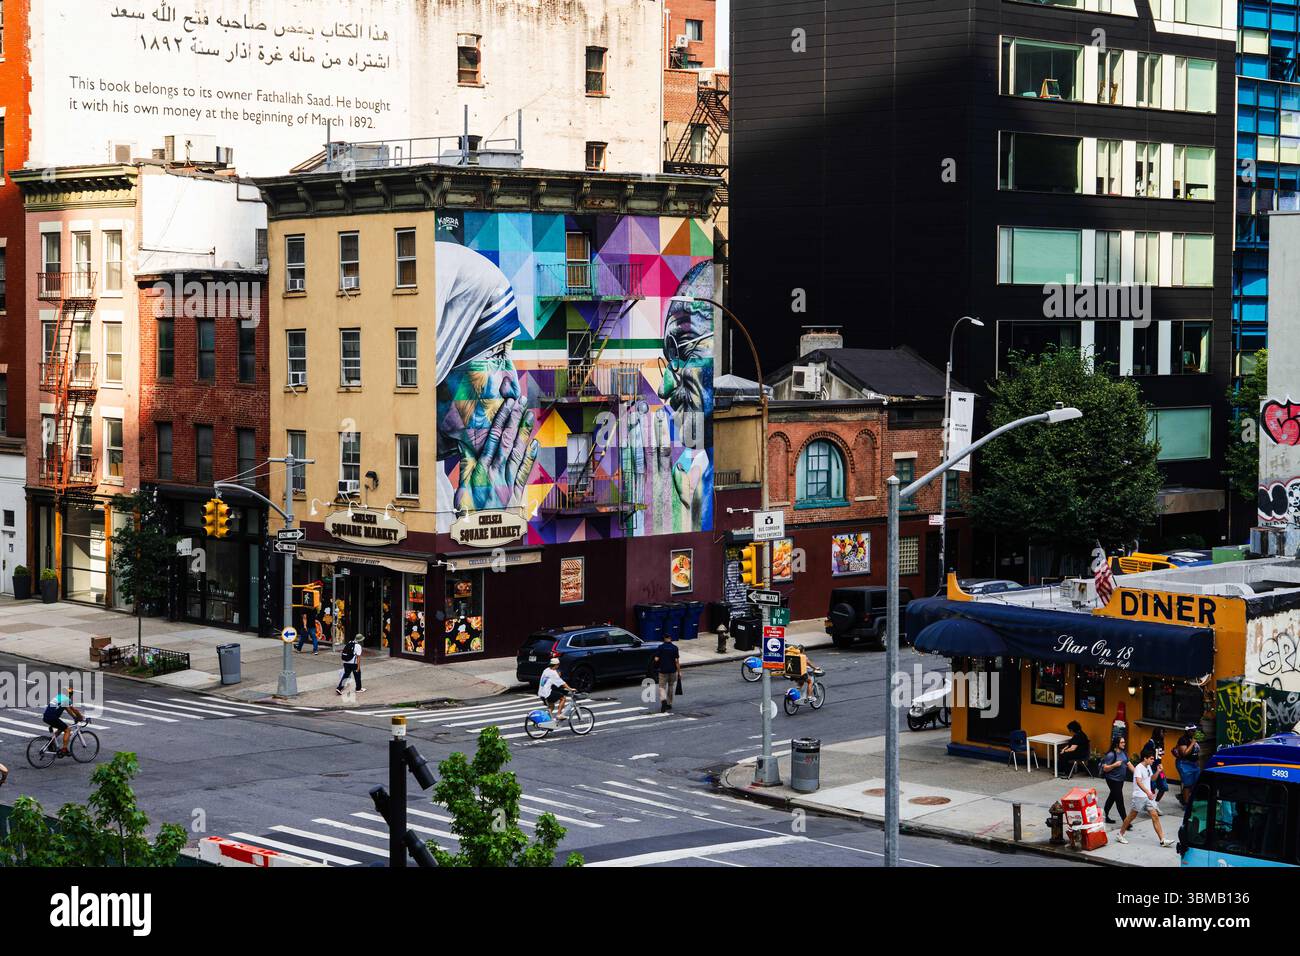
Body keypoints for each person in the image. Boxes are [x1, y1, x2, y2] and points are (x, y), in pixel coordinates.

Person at [1117, 751, 1175, 847]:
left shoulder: (1148, 767)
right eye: (1151, 759)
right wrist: (1148, 792)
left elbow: (1152, 779)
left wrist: (1158, 771)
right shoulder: (1139, 768)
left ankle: (1162, 840)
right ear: (1145, 758)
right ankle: (1120, 834)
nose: (1153, 760)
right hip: (1139, 796)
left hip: (1147, 797)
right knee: (1131, 816)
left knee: (1155, 816)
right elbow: (1139, 782)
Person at [1100, 735, 1132, 824]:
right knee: (1119, 799)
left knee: (1112, 797)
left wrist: (1138, 774)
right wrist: (1114, 765)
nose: (1124, 744)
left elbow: (1129, 764)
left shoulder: (1124, 753)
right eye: (1122, 742)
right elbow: (1105, 768)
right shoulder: (1111, 755)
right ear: (1117, 744)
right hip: (1112, 780)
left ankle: (1104, 816)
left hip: (1121, 780)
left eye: (1124, 742)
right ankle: (1126, 822)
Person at [42, 688, 84, 756]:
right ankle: (64, 749)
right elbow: (74, 710)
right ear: (70, 695)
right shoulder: (66, 699)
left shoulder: (59, 696)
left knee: (61, 728)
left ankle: (51, 743)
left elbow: (68, 709)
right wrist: (80, 717)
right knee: (67, 730)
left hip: (46, 717)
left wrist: (74, 717)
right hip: (52, 718)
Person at [538, 656, 573, 724]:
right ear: (556, 665)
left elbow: (551, 681)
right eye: (558, 665)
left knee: (551, 706)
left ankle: (546, 721)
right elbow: (562, 682)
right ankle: (559, 715)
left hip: (541, 693)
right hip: (547, 693)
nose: (558, 666)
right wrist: (570, 689)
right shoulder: (553, 673)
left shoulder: (546, 670)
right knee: (563, 698)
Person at [1174, 724, 1202, 808]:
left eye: (1195, 730)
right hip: (1185, 764)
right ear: (1188, 731)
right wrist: (1193, 743)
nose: (1195, 732)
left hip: (1194, 764)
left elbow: (1196, 752)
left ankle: (1183, 797)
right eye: (1193, 731)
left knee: (1195, 783)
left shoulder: (1194, 739)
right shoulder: (1183, 740)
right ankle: (1186, 804)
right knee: (1188, 784)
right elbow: (1184, 753)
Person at [653, 633, 681, 713]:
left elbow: (656, 659)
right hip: (672, 670)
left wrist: (656, 662)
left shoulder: (660, 647)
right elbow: (677, 661)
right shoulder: (675, 648)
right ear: (670, 638)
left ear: (664, 639)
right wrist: (679, 672)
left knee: (662, 687)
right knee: (671, 686)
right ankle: (669, 703)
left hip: (663, 671)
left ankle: (663, 700)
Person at [1141, 728, 1169, 802]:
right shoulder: (1150, 744)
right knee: (1151, 787)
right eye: (1162, 733)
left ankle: (1155, 804)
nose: (1164, 735)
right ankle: (1151, 805)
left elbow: (1160, 755)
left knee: (1164, 786)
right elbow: (1143, 755)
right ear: (1157, 733)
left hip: (1159, 769)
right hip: (1151, 769)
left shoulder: (1161, 743)